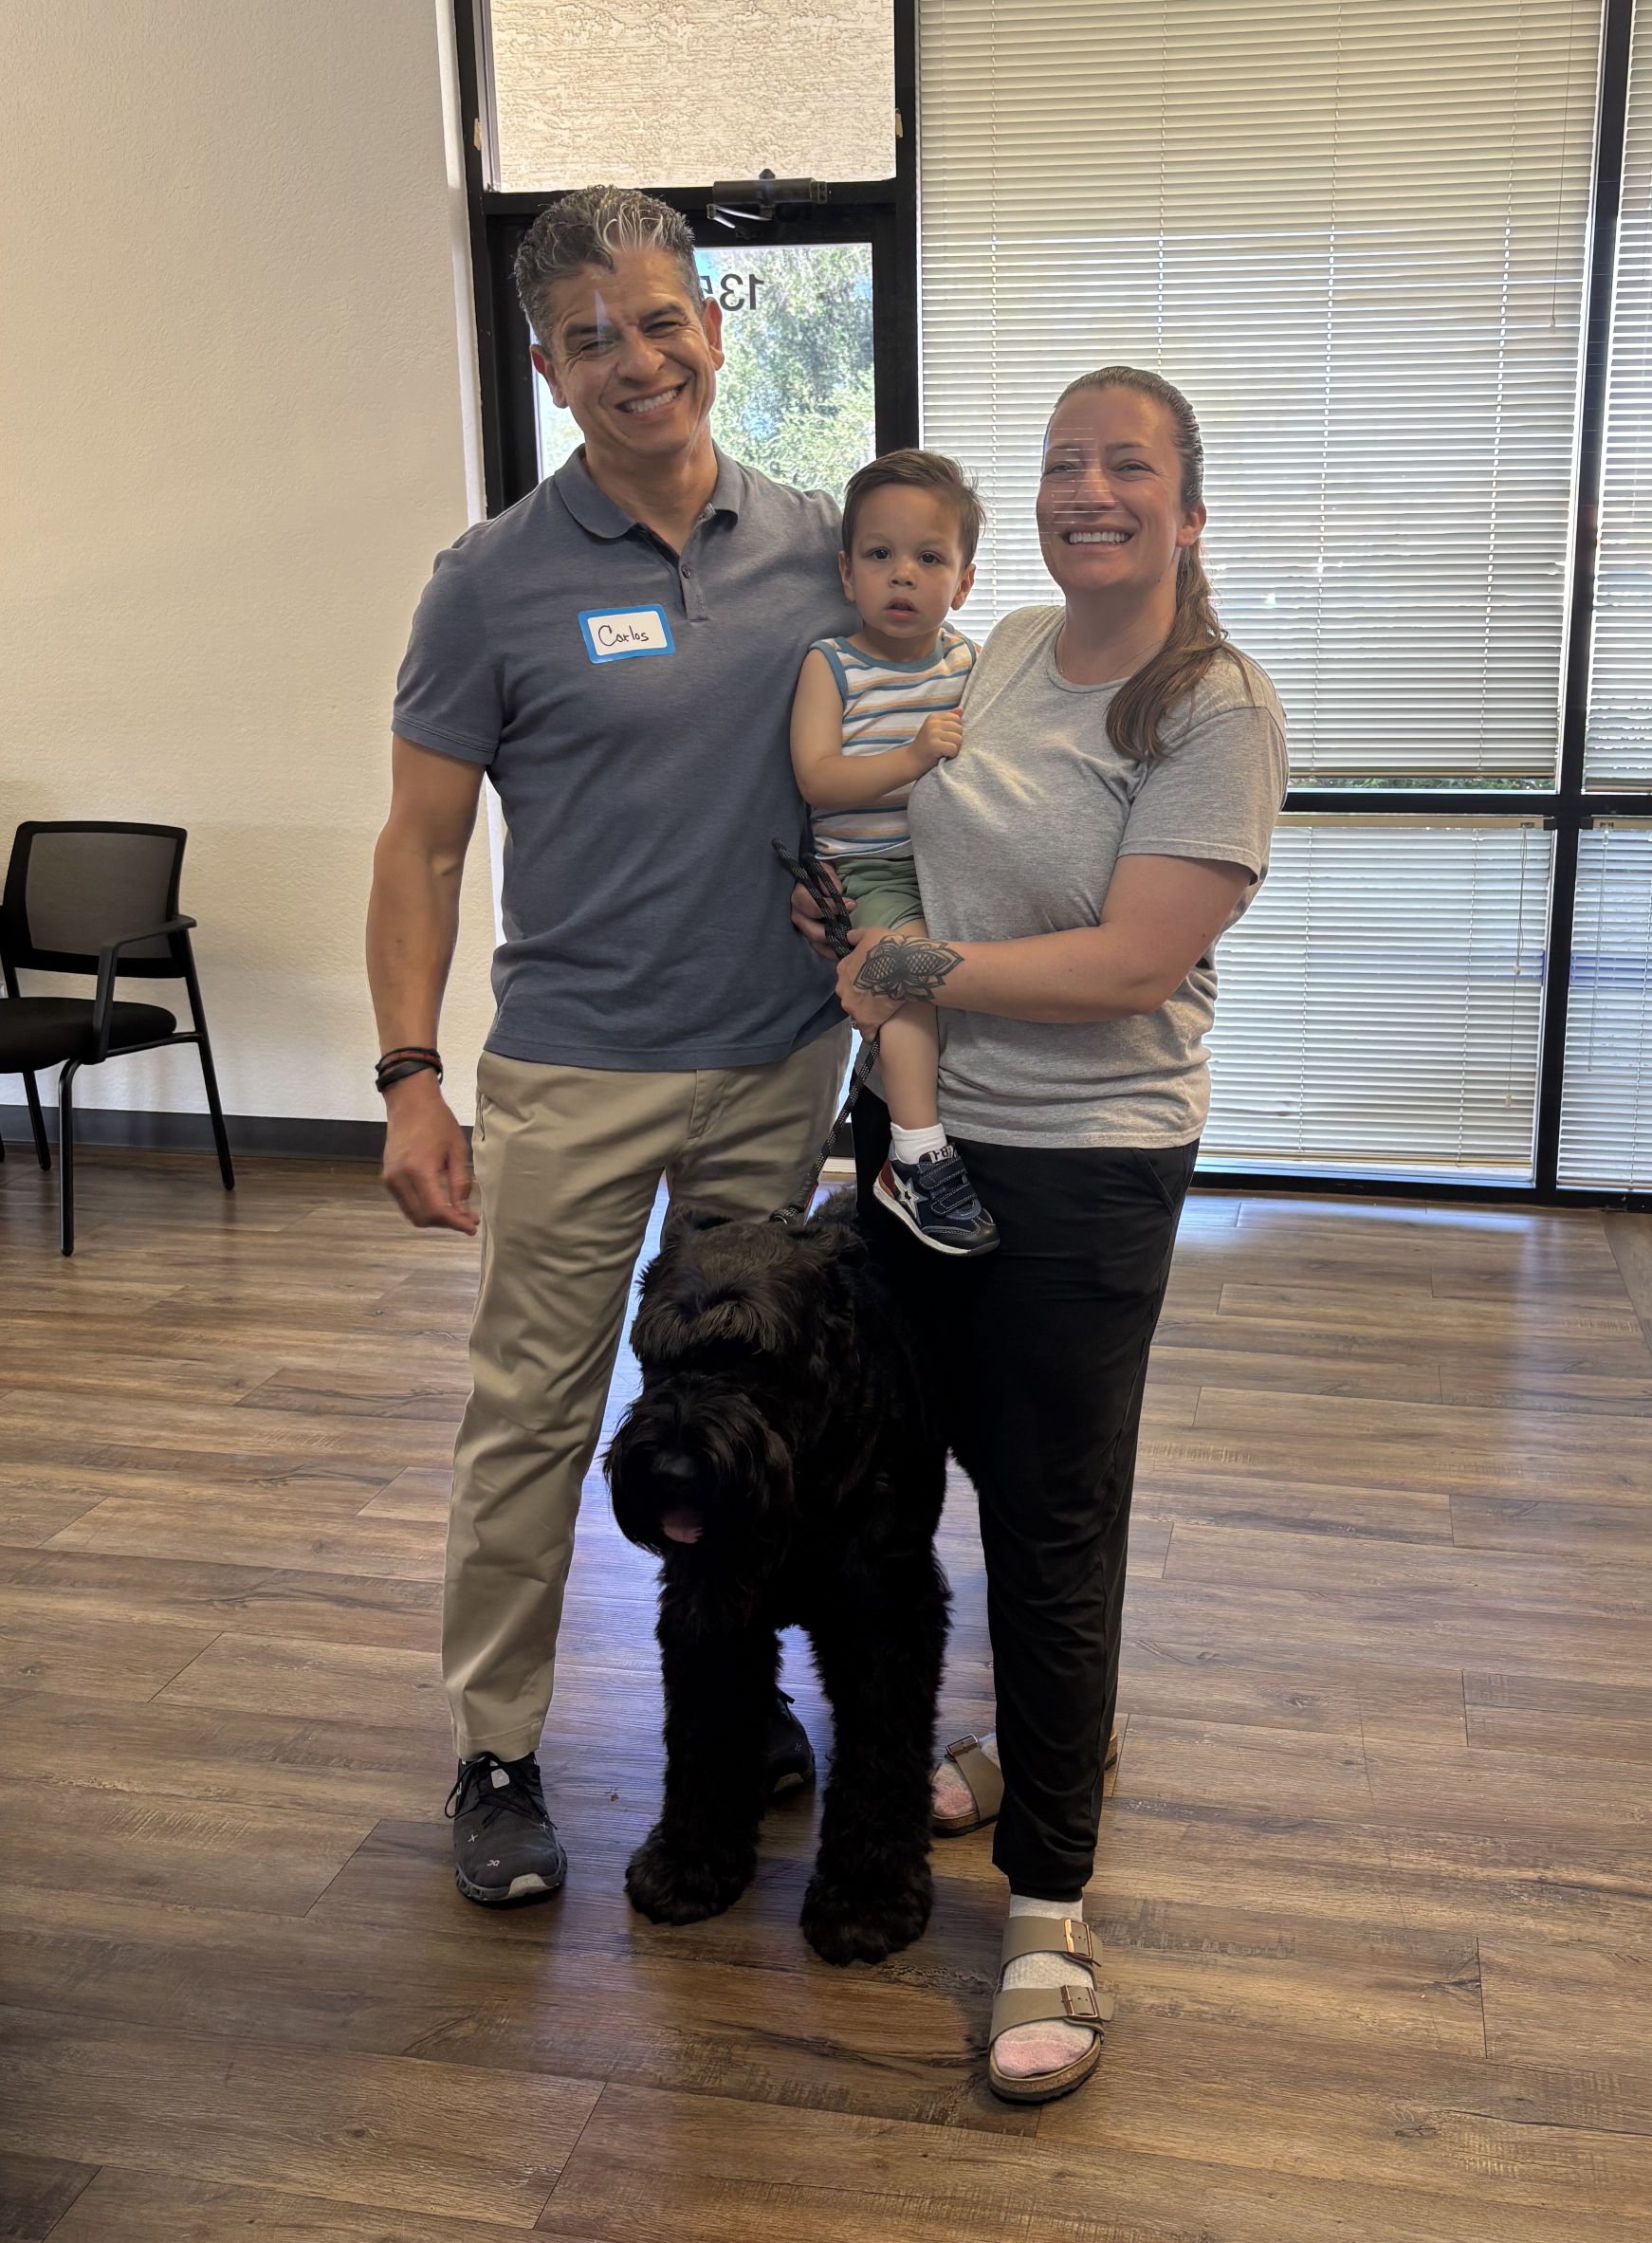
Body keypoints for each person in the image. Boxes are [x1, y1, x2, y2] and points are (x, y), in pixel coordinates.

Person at [797, 366, 1288, 2103]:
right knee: (901, 1479)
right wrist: (854, 924)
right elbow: (914, 839)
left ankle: (1052, 1912)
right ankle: (992, 1756)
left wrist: (905, 971)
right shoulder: (998, 644)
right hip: (919, 1131)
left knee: (1051, 1527)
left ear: (1186, 505)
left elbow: (1130, 964)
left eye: (1128, 465)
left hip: (1084, 1165)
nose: (1092, 489)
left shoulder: (1214, 707)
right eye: (1067, 461)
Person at [367, 184, 854, 1909]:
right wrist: (409, 1075)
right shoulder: (488, 584)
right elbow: (421, 847)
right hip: (573, 1070)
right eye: (593, 339)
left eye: (659, 321)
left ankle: (740, 1705)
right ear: (548, 367)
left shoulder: (822, 544)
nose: (636, 360)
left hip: (777, 1059)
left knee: (747, 1403)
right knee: (535, 1417)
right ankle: (496, 1750)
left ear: (713, 324)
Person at [790, 450, 997, 1256]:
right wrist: (913, 758)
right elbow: (818, 779)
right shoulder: (832, 666)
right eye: (880, 556)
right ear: (846, 573)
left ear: (965, 580)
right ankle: (913, 1154)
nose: (902, 576)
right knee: (907, 972)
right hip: (868, 869)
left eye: (929, 558)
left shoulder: (970, 663)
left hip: (954, 862)